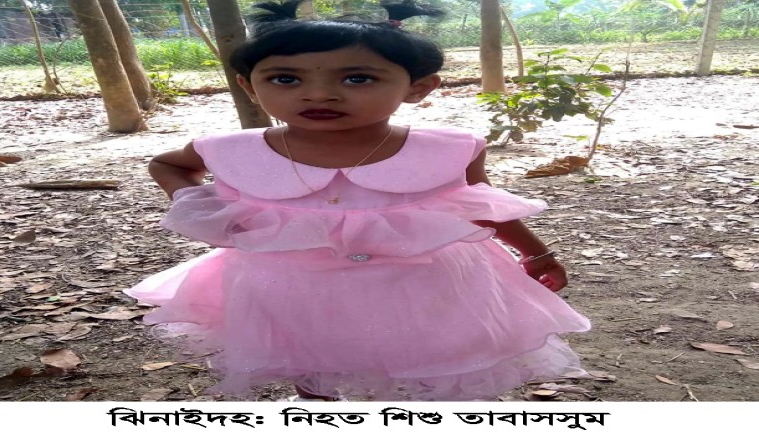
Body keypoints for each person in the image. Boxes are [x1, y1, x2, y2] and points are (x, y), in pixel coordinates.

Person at [125, 0, 590, 401]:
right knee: (308, 352)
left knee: (430, 359)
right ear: (250, 85)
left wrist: (535, 251)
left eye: (358, 78)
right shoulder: (231, 151)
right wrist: (214, 212)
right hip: (288, 285)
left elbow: (479, 205)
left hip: (424, 286)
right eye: (285, 79)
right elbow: (168, 165)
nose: (319, 94)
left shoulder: (447, 149)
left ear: (418, 87)